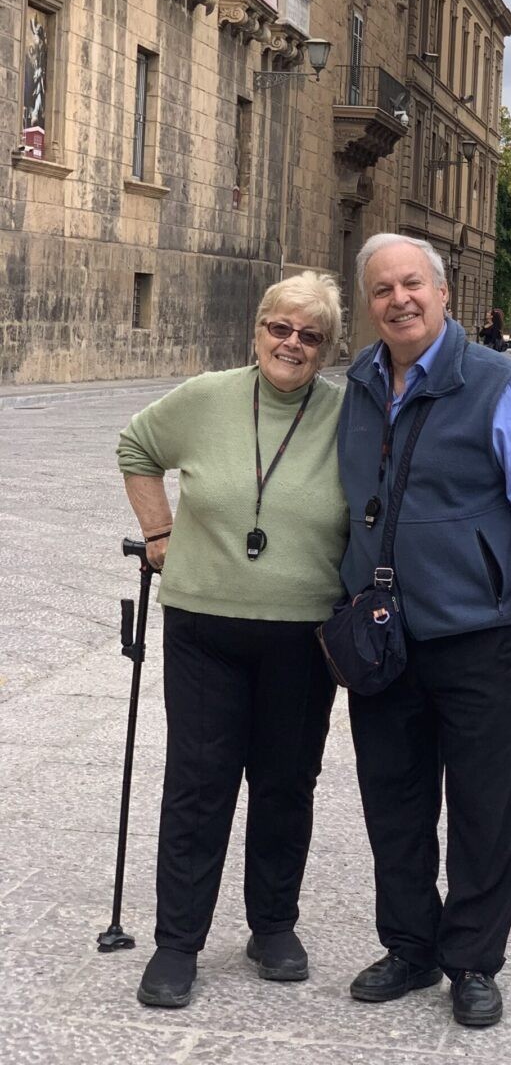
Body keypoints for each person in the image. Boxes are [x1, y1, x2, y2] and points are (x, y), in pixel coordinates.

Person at [339, 233, 511, 1029]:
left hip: (478, 632)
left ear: (442, 295)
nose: (399, 299)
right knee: (393, 800)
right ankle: (409, 945)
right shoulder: (361, 382)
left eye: (413, 284)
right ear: (369, 305)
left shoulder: (496, 382)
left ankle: (471, 960)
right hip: (383, 634)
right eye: (382, 290)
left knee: (483, 804)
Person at [117, 273, 349, 1010]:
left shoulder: (348, 415)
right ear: (257, 331)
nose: (292, 344)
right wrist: (159, 532)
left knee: (286, 783)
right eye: (280, 328)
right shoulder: (208, 396)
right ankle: (177, 943)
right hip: (204, 628)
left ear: (327, 349)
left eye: (310, 336)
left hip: (304, 632)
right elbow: (136, 446)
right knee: (199, 782)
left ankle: (272, 926)